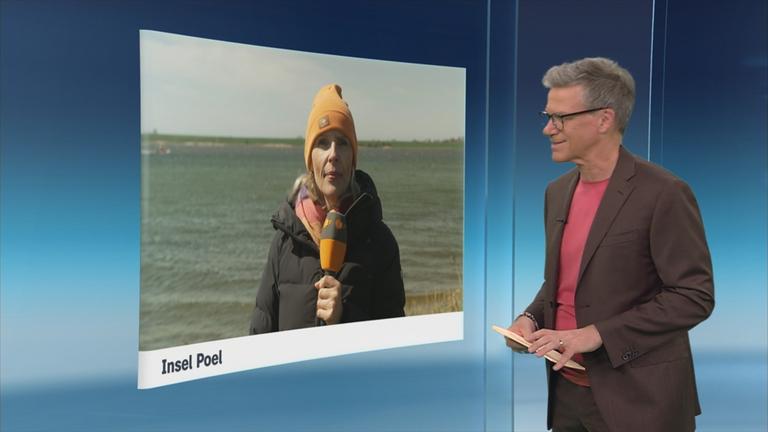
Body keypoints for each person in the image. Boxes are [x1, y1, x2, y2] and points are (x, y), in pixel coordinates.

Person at [506, 58, 714, 432]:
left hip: (642, 401)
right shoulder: (556, 192)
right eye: (547, 116)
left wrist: (596, 334)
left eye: (560, 118)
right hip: (567, 394)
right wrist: (531, 318)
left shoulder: (664, 193)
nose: (547, 129)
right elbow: (563, 282)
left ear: (604, 119)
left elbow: (693, 296)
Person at [249, 84, 405, 334]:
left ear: (353, 157)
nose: (333, 154)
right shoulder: (284, 241)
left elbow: (394, 340)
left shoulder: (380, 243)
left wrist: (344, 318)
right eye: (322, 143)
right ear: (310, 158)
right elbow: (260, 332)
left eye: (342, 143)